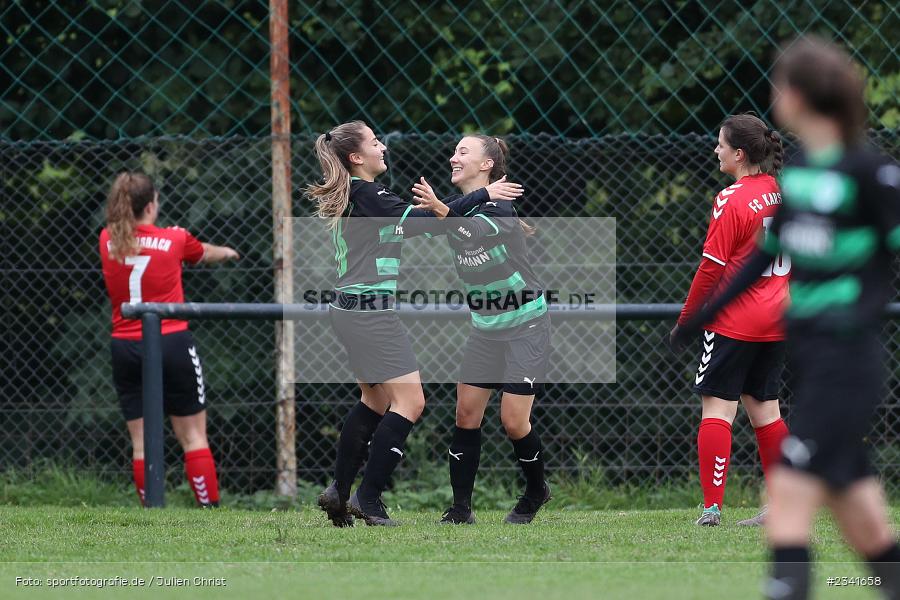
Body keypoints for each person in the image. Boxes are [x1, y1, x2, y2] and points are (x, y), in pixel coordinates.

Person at [673, 36, 900, 599]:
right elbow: (753, 265)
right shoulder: (794, 181)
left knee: (791, 495)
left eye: (778, 83)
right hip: (810, 349)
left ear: (797, 96)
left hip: (848, 359)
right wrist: (704, 315)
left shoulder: (867, 173)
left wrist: (861, 305)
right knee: (865, 522)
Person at [306, 121, 523, 527]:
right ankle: (367, 500)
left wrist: (452, 205)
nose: (382, 147)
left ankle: (339, 491)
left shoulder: (361, 193)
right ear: (356, 158)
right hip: (370, 311)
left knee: (374, 401)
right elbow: (430, 224)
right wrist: (484, 194)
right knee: (411, 403)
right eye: (374, 142)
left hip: (347, 309)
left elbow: (428, 218)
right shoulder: (368, 193)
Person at [409, 134, 552, 525]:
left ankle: (537, 490)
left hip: (526, 325)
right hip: (485, 327)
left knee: (513, 421)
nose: (453, 157)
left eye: (463, 152)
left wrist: (439, 207)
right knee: (466, 415)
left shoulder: (500, 206)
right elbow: (416, 224)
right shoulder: (459, 206)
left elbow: (468, 232)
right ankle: (460, 510)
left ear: (487, 165)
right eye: (454, 150)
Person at [670, 114, 791, 527]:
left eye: (720, 144)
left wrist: (688, 319)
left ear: (739, 154)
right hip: (777, 320)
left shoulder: (731, 198)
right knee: (767, 413)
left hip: (734, 321)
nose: (715, 150)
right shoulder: (782, 193)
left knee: (717, 412)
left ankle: (712, 508)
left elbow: (710, 269)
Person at [99, 172, 239, 507]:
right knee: (192, 436)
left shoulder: (107, 239)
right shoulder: (175, 239)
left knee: (141, 441)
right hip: (172, 341)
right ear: (150, 206)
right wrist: (229, 253)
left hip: (125, 346)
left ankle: (151, 509)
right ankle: (209, 508)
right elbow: (204, 252)